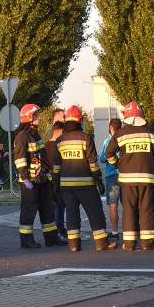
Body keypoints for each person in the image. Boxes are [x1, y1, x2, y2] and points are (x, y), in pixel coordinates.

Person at [53, 105, 116, 252]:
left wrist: (55, 185)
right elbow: (93, 163)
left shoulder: (60, 141)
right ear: (80, 121)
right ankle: (101, 243)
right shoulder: (86, 137)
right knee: (95, 213)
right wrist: (99, 181)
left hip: (67, 186)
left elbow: (56, 166)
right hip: (86, 184)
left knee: (72, 214)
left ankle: (73, 245)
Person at [104, 102, 154, 251]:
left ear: (126, 117)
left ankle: (129, 244)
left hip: (127, 179)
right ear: (141, 116)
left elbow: (108, 153)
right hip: (147, 178)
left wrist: (118, 164)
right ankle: (148, 244)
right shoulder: (151, 132)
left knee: (129, 209)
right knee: (147, 209)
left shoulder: (120, 134)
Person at [13, 103, 66, 248]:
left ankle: (51, 239)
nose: (39, 118)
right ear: (29, 117)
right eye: (36, 115)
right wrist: (25, 178)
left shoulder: (35, 134)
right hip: (29, 181)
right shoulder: (22, 136)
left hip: (41, 179)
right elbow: (20, 160)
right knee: (28, 211)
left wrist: (48, 176)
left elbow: (42, 157)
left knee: (47, 209)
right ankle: (26, 240)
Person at [100, 117, 122, 239]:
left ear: (110, 128)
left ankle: (114, 232)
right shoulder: (124, 140)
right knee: (129, 204)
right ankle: (132, 230)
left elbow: (102, 159)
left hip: (111, 175)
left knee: (113, 205)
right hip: (124, 175)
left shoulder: (107, 141)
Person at [45, 118, 67, 238]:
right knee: (60, 205)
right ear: (59, 131)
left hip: (49, 179)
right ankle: (60, 229)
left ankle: (54, 230)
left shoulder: (46, 145)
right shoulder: (59, 146)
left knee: (53, 205)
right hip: (59, 178)